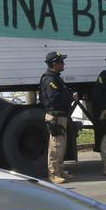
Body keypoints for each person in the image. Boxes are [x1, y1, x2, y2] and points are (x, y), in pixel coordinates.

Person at [39, 51, 77, 184]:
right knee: (55, 146)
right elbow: (55, 98)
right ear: (55, 63)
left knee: (61, 145)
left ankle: (60, 170)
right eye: (61, 62)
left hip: (61, 115)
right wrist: (70, 98)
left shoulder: (56, 77)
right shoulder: (49, 79)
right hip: (55, 116)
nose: (64, 64)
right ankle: (53, 174)